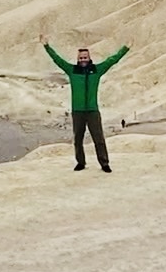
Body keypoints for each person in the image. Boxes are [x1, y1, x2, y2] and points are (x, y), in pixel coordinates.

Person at [41, 35, 129, 172]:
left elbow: (112, 60)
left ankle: (104, 163)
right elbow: (57, 59)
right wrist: (46, 46)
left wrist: (126, 48)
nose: (83, 60)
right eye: (81, 58)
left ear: (89, 58)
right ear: (78, 59)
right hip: (78, 111)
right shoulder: (72, 70)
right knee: (78, 139)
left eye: (85, 57)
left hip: (93, 110)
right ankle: (80, 162)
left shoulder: (97, 70)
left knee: (98, 138)